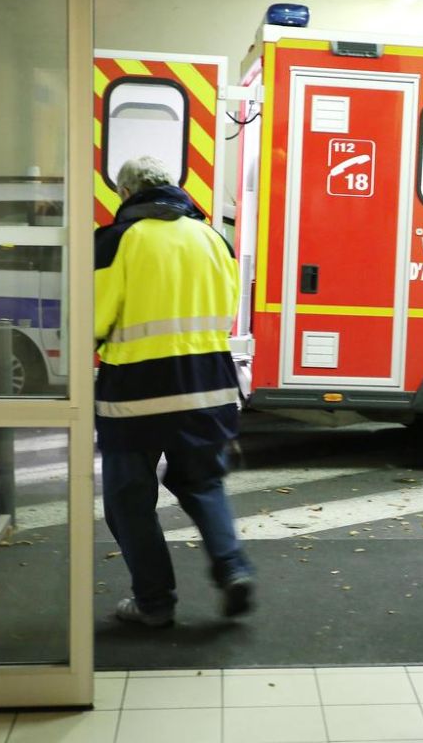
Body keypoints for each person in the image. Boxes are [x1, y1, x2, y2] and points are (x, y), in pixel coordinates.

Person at [94, 155, 253, 627]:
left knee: (128, 499)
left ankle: (155, 602)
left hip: (134, 394)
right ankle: (233, 569)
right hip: (208, 385)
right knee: (202, 482)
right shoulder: (212, 239)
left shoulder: (117, 242)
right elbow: (226, 311)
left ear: (126, 194)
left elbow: (93, 320)